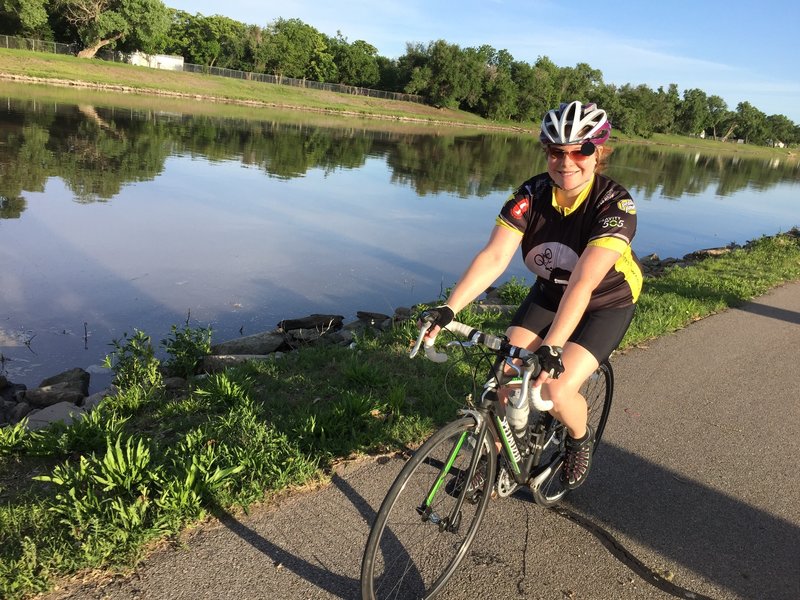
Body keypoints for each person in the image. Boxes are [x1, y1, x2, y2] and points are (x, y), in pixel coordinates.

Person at [425, 100, 643, 490]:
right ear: (546, 151)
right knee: (502, 377)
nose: (568, 161)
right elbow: (494, 256)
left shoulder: (615, 204)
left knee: (555, 389)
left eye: (581, 150)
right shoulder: (531, 193)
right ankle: (493, 457)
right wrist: (448, 309)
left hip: (604, 302)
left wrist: (554, 347)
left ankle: (578, 439)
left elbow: (583, 282)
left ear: (600, 152)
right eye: (557, 151)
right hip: (549, 293)